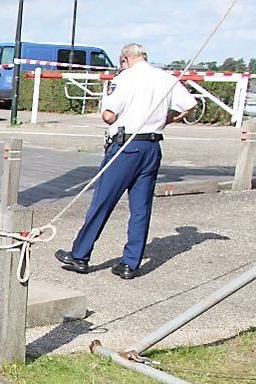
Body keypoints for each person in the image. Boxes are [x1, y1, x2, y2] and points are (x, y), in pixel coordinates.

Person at [56, 43, 197, 279]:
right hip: (151, 146)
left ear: (125, 59)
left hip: (126, 146)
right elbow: (190, 106)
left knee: (103, 201)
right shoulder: (165, 78)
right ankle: (130, 264)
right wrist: (165, 120)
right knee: (140, 208)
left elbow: (109, 115)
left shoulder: (125, 78)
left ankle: (80, 255)